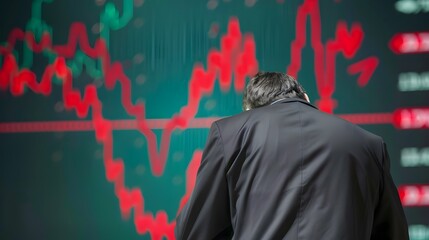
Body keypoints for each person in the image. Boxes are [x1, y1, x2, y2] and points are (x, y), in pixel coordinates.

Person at [175, 72, 409, 240]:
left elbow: (193, 231)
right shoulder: (369, 144)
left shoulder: (229, 133)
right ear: (305, 98)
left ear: (249, 112)